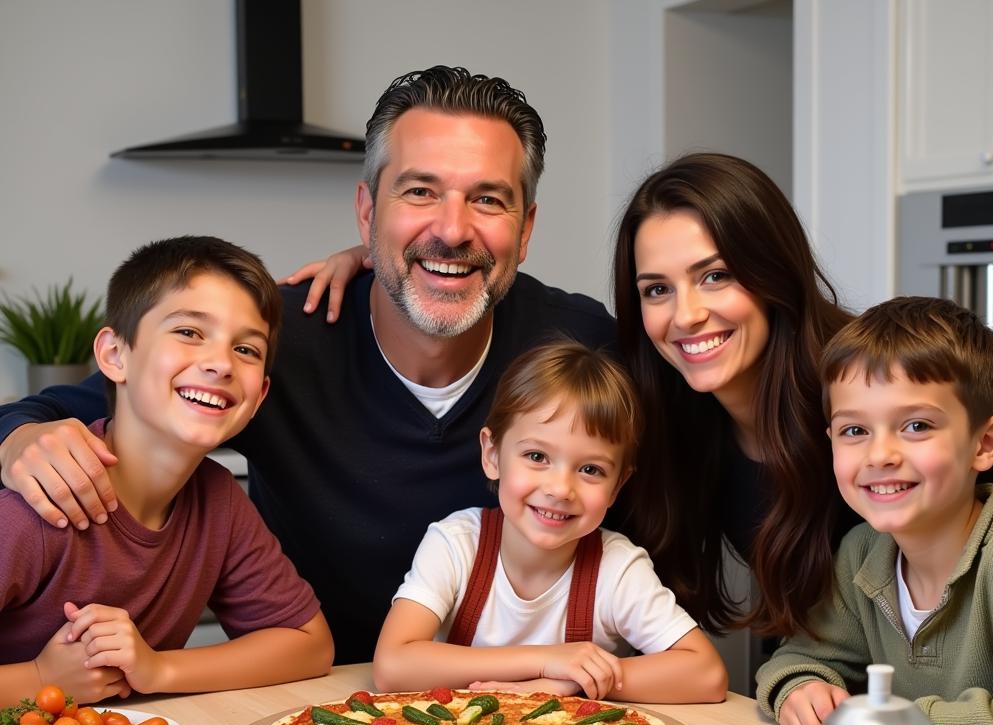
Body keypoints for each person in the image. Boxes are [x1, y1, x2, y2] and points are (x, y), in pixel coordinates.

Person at [0, 68, 615, 664]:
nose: (452, 230)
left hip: (544, 702)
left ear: (526, 227)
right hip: (323, 706)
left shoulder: (579, 345)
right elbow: (68, 410)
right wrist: (20, 439)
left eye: (487, 199)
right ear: (369, 212)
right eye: (420, 192)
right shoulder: (269, 341)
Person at [611, 153, 993, 641]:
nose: (686, 315)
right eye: (657, 289)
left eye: (715, 276)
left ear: (772, 272)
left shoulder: (878, 388)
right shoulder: (674, 427)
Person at [0, 236, 333, 706]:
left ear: (259, 397)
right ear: (116, 356)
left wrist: (158, 667)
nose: (220, 363)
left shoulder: (219, 503)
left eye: (246, 350)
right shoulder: (33, 504)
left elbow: (308, 643)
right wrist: (40, 678)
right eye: (189, 332)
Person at [374, 340, 726, 703]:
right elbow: (392, 665)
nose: (560, 489)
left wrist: (572, 682)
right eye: (537, 456)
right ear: (492, 455)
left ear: (618, 486)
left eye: (591, 469)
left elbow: (706, 674)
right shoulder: (455, 544)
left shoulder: (617, 568)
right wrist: (547, 661)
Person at [755, 297, 993, 725]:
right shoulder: (862, 553)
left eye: (916, 426)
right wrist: (801, 690)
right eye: (854, 431)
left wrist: (897, 723)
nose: (880, 455)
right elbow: (801, 657)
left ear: (984, 444)